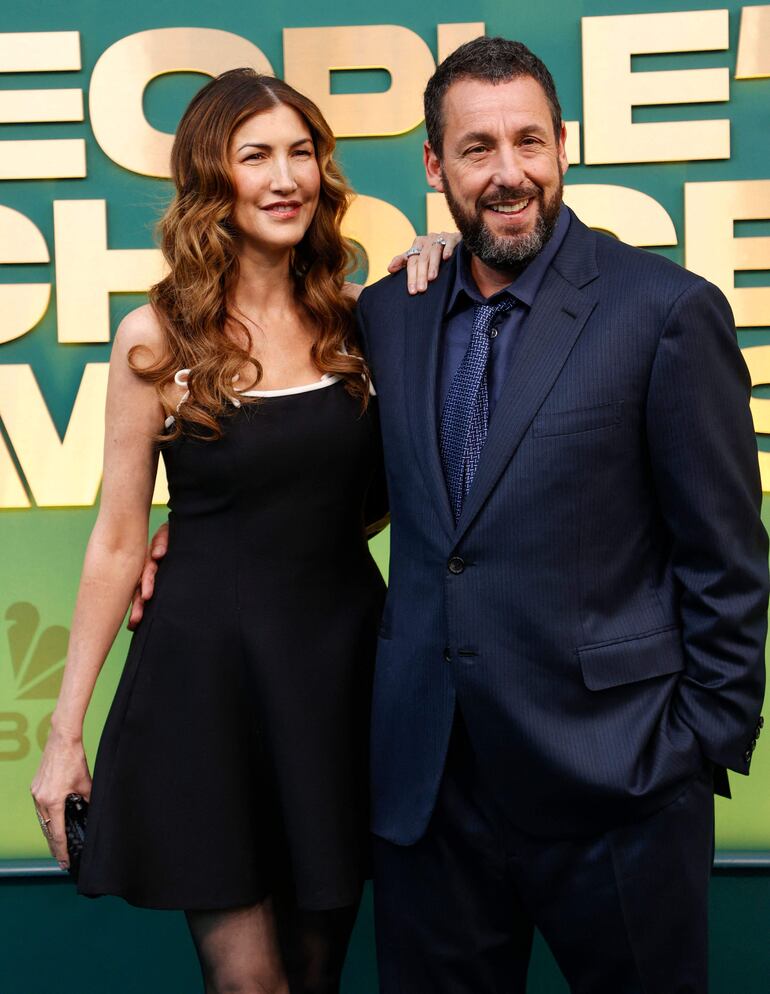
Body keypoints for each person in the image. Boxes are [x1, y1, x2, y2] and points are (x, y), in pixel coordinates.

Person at [354, 37, 769, 994]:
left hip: (618, 786)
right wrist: (192, 532)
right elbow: (340, 484)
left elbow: (726, 558)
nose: (508, 174)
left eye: (528, 142)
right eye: (476, 149)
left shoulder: (665, 310)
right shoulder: (389, 313)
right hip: (431, 795)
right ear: (433, 165)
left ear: (564, 147)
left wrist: (696, 743)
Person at [29, 68, 453, 994]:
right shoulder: (156, 338)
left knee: (316, 974)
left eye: (301, 152)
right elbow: (114, 540)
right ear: (208, 179)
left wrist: (443, 257)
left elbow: (376, 501)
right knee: (250, 985)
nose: (285, 176)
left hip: (339, 679)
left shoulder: (363, 322)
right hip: (205, 686)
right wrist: (64, 736)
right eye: (254, 155)